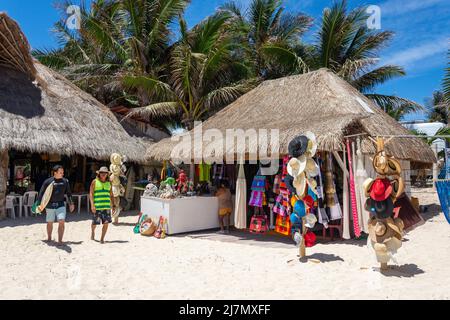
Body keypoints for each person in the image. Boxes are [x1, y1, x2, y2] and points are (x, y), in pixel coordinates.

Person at [37, 165, 75, 244]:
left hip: (60, 205)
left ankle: (60, 240)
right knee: (50, 222)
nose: (62, 174)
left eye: (63, 172)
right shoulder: (48, 181)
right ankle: (49, 238)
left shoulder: (65, 181)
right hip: (49, 205)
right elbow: (41, 193)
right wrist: (39, 204)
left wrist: (71, 203)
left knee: (61, 221)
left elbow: (69, 193)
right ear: (55, 173)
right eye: (60, 172)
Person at [89, 167, 115, 244]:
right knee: (94, 223)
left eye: (105, 173)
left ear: (107, 174)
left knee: (106, 223)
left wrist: (113, 205)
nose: (103, 174)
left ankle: (102, 239)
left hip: (106, 207)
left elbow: (111, 195)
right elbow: (91, 193)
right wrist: (92, 205)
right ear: (99, 174)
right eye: (101, 173)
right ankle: (93, 232)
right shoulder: (94, 181)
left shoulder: (109, 183)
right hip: (97, 207)